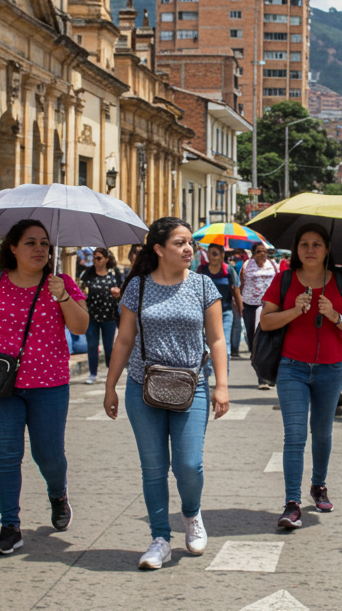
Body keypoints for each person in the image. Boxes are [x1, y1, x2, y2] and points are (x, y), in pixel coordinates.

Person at [0, 219, 89, 555]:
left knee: (49, 456)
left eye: (44, 243)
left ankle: (58, 494)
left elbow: (81, 324)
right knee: (7, 456)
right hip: (2, 385)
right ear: (12, 247)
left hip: (49, 385)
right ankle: (9, 526)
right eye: (30, 242)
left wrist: (63, 298)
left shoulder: (62, 283)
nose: (39, 249)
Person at [104, 217, 230, 569]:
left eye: (190, 242)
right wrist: (110, 385)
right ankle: (160, 538)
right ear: (158, 249)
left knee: (189, 465)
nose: (189, 248)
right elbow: (125, 339)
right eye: (179, 243)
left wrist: (221, 385)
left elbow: (217, 339)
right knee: (154, 468)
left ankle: (191, 514)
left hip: (192, 388)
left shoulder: (204, 286)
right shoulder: (137, 287)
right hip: (142, 388)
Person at [258, 224, 342, 529]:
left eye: (317, 244)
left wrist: (334, 315)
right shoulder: (284, 279)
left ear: (327, 250)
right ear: (296, 250)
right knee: (294, 435)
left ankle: (318, 485)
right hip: (292, 367)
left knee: (322, 432)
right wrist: (294, 310)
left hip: (331, 368)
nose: (310, 250)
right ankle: (292, 503)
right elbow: (265, 322)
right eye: (303, 244)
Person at [77, 247, 124, 385]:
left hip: (109, 316)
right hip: (91, 316)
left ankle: (110, 374)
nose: (95, 261)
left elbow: (123, 291)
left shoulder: (114, 274)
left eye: (98, 258)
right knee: (92, 345)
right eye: (94, 258)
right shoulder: (88, 274)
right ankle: (93, 374)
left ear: (106, 259)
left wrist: (118, 293)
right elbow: (80, 290)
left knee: (109, 346)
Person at [241, 242, 280, 389]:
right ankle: (261, 378)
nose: (262, 254)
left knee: (272, 341)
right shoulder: (246, 266)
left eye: (264, 251)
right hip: (251, 307)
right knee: (255, 342)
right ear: (253, 253)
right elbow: (241, 285)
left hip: (270, 307)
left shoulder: (273, 265)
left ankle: (271, 376)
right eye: (258, 252)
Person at [198, 244, 242, 368]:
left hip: (225, 312)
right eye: (209, 253)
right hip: (206, 314)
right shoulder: (202, 270)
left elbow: (236, 291)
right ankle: (207, 376)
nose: (211, 256)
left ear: (222, 255)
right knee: (207, 346)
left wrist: (240, 310)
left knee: (224, 344)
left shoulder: (228, 270)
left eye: (215, 253)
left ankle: (223, 378)